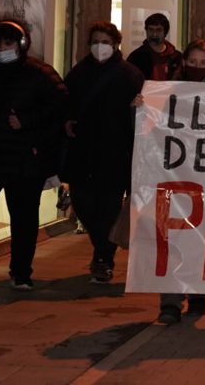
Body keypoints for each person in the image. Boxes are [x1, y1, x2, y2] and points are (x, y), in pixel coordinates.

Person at [0, 18, 67, 289]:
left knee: (23, 217)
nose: (3, 48)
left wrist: (26, 120)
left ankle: (21, 271)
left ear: (21, 44)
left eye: (9, 43)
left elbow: (60, 104)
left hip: (24, 157)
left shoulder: (39, 72)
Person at [62, 21, 143, 285]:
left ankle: (103, 259)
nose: (100, 47)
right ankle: (102, 248)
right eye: (96, 41)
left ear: (116, 44)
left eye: (105, 42)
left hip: (115, 152)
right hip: (83, 151)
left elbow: (141, 112)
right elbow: (66, 104)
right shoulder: (77, 73)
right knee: (83, 203)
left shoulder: (130, 74)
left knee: (108, 207)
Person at [157, 40, 205, 323]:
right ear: (183, 63)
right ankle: (170, 300)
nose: (196, 68)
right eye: (192, 62)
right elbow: (153, 129)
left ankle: (196, 293)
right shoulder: (169, 93)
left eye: (202, 63)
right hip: (173, 176)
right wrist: (141, 106)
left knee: (199, 238)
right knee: (170, 237)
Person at [126, 13, 183, 81]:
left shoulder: (177, 57)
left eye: (158, 30)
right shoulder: (136, 57)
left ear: (165, 32)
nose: (154, 34)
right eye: (151, 29)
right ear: (146, 31)